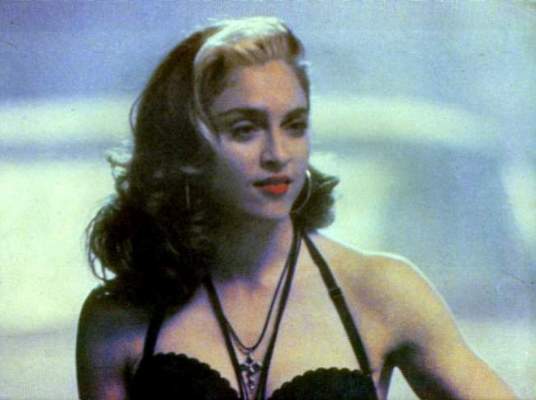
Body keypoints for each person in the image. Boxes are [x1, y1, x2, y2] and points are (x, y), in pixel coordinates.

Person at [76, 16, 516, 400]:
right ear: (188, 148)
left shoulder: (380, 290)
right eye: (245, 129)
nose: (277, 154)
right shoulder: (117, 319)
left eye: (294, 125)